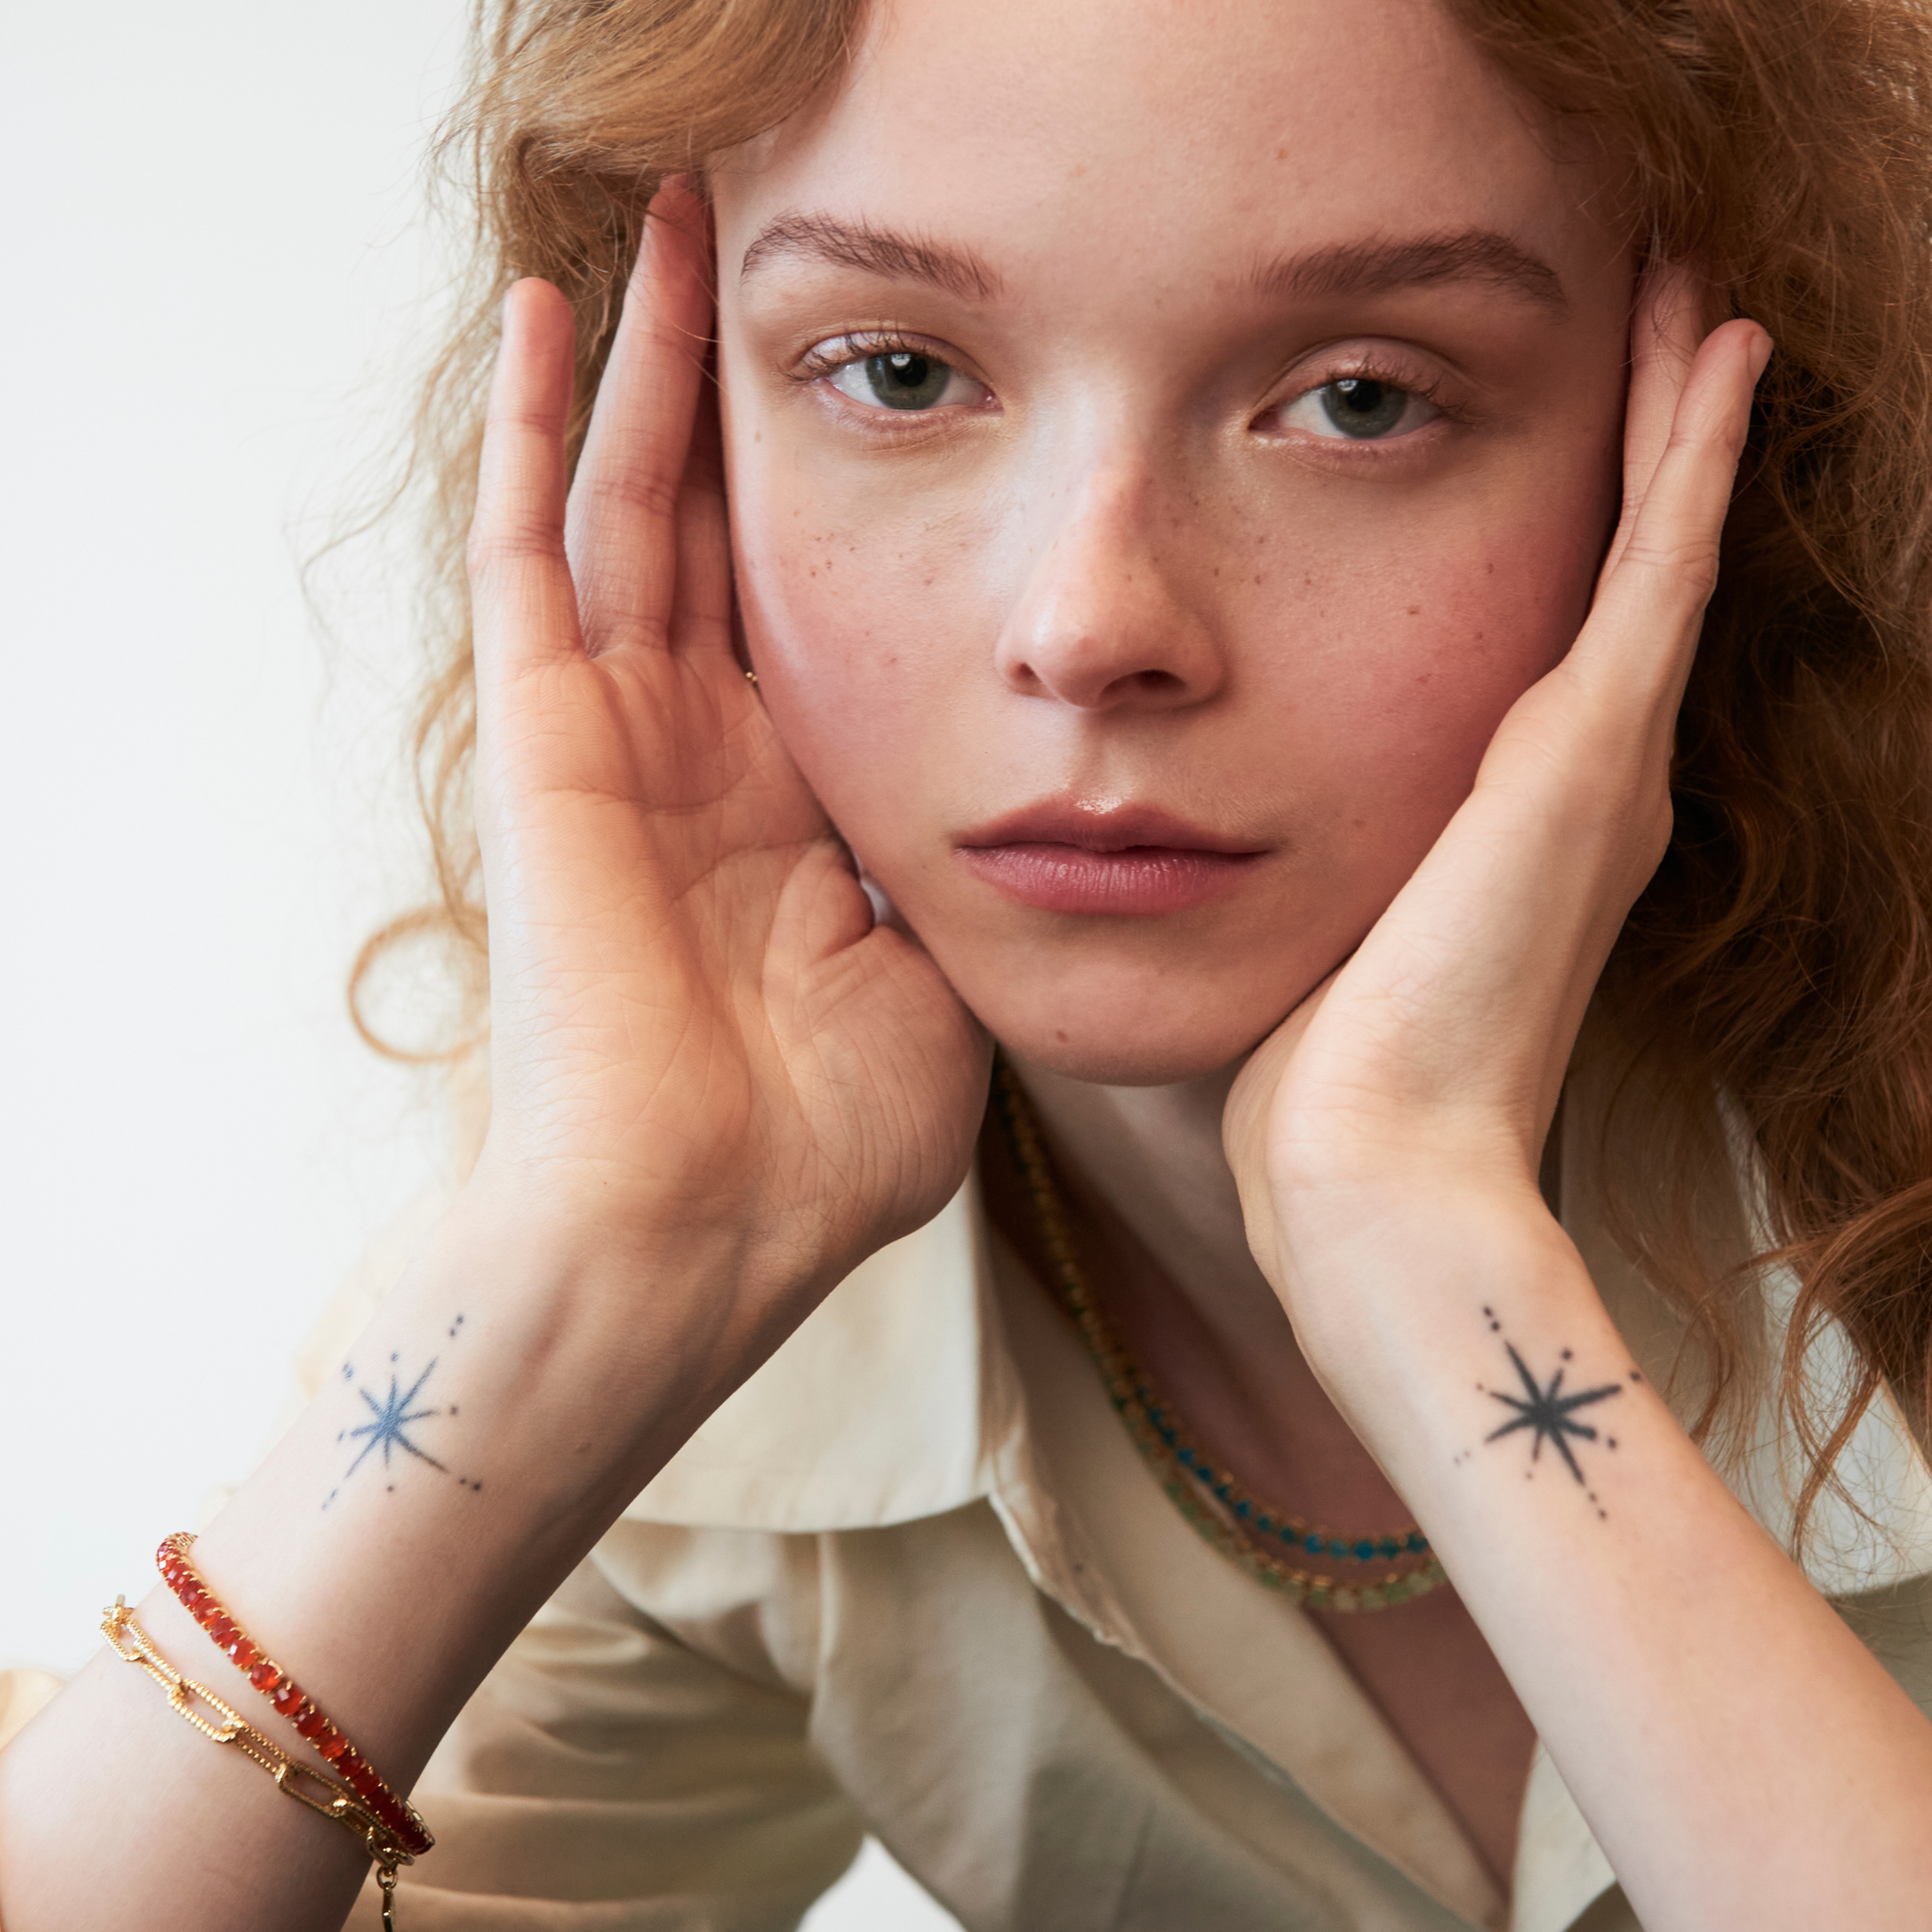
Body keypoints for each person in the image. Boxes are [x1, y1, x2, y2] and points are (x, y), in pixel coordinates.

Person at [6, 0, 1932, 1924]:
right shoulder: (757, 1342)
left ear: (1724, 447)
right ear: (672, 443)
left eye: (1358, 395)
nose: (1091, 621)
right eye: (901, 371)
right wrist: (589, 1271)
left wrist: (1422, 1248)